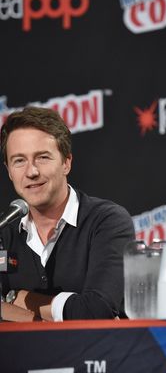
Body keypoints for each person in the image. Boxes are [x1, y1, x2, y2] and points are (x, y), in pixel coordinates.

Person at [0, 106, 135, 321]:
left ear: (66, 163)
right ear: (8, 170)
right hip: (20, 355)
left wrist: (20, 299)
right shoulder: (4, 232)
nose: (32, 171)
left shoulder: (107, 221)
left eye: (42, 157)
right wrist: (39, 318)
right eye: (19, 160)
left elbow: (96, 311)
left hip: (92, 354)